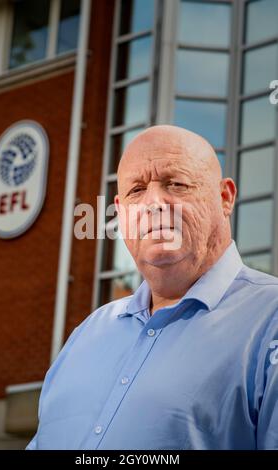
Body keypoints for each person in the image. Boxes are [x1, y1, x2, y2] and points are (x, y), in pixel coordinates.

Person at [27, 125, 278, 450]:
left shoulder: (270, 319)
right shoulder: (86, 335)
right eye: (136, 191)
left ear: (224, 198)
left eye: (176, 184)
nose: (154, 204)